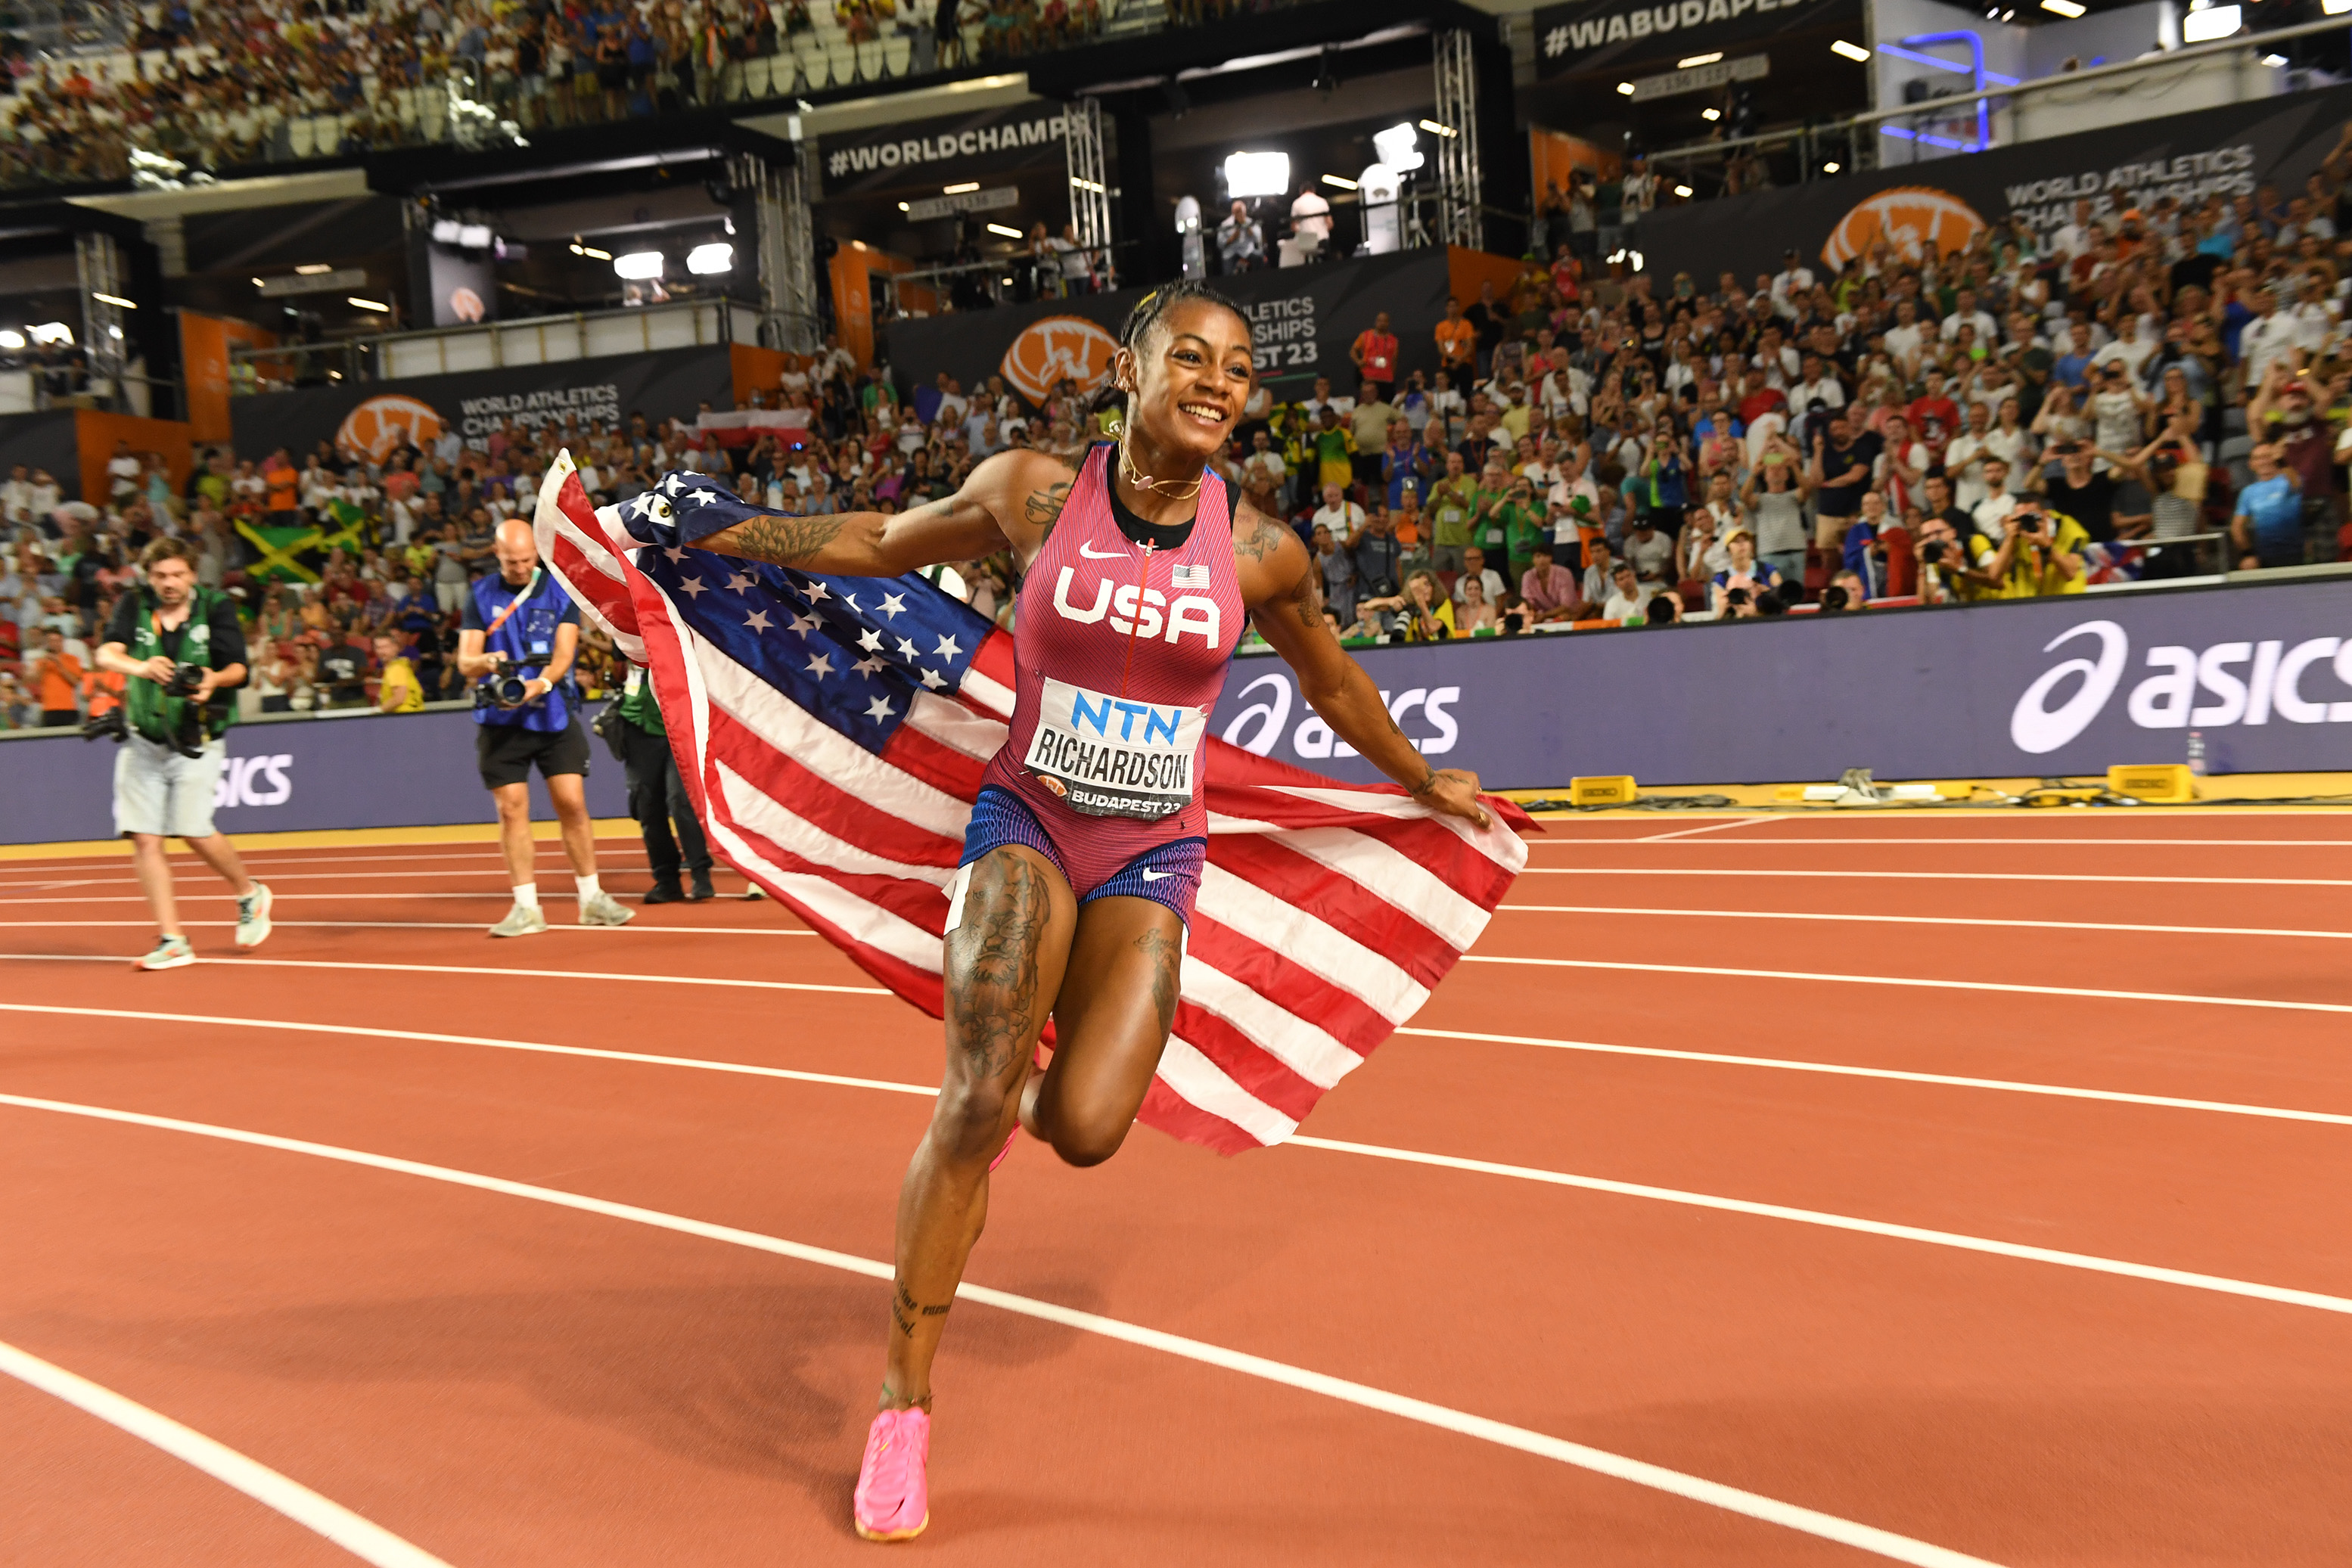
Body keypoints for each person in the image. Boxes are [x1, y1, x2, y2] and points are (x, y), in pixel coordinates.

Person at [629, 281, 1493, 1543]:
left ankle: (1023, 1082)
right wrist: (730, 531)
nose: (1215, 381)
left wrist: (1417, 777)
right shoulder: (1031, 492)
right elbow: (879, 540)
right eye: (1188, 356)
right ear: (1129, 370)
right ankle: (902, 1405)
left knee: (1085, 1126)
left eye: (1236, 368)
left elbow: (1331, 677)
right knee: (972, 1099)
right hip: (1027, 821)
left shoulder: (1260, 549)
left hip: (1153, 853)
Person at [92, 538, 274, 970]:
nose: (169, 583)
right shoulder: (134, 604)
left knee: (192, 829)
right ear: (148, 577)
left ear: (192, 574)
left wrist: (212, 680)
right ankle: (173, 940)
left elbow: (239, 668)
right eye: (160, 576)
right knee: (144, 837)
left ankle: (249, 893)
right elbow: (106, 653)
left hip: (198, 739)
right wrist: (141, 667)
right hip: (144, 738)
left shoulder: (216, 606)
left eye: (177, 574)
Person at [456, 518, 636, 936]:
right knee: (511, 809)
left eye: (526, 560)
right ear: (497, 555)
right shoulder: (480, 595)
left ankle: (592, 898)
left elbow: (564, 655)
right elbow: (465, 661)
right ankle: (526, 908)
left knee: (572, 803)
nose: (521, 568)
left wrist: (540, 685)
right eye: (511, 562)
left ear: (535, 552)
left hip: (553, 713)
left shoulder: (558, 589)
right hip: (501, 720)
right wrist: (488, 662)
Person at [614, 659, 714, 903]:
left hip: (680, 726)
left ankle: (700, 872)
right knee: (647, 808)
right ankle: (666, 880)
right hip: (638, 727)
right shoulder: (624, 637)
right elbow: (620, 671)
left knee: (681, 800)